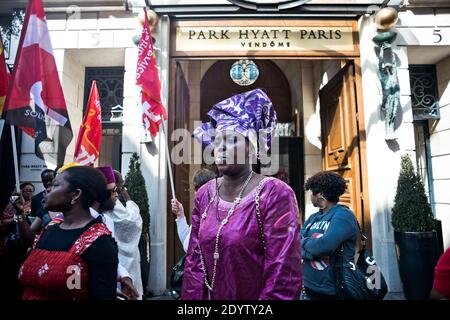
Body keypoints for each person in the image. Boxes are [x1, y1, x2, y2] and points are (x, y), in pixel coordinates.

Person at [182, 88, 302, 300]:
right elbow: (194, 262)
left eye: (231, 140)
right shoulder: (204, 195)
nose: (221, 148)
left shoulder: (274, 194)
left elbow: (283, 275)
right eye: (217, 142)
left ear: (251, 148)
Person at [16, 166, 118, 300]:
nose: (47, 190)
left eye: (55, 185)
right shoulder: (48, 230)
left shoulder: (99, 242)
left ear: (76, 194)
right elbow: (27, 239)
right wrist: (18, 214)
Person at [300, 171, 359, 300]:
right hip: (308, 287)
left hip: (333, 290)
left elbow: (324, 246)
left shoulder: (343, 216)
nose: (311, 196)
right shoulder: (313, 218)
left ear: (320, 194)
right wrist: (311, 249)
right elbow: (295, 243)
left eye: (312, 192)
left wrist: (304, 245)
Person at [93, 166, 141, 300]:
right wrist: (129, 199)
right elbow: (131, 222)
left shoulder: (106, 219)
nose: (117, 195)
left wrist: (124, 276)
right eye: (115, 190)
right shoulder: (86, 220)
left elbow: (112, 256)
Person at [0, 182, 35, 300]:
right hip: (12, 244)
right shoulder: (13, 206)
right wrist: (18, 215)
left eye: (30, 191)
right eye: (25, 190)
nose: (28, 193)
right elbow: (4, 222)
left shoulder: (37, 205)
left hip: (26, 247)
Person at [171, 168, 217, 252]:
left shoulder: (214, 215)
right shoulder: (200, 212)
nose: (197, 193)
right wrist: (180, 215)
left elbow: (189, 246)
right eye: (196, 188)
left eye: (200, 188)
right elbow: (187, 241)